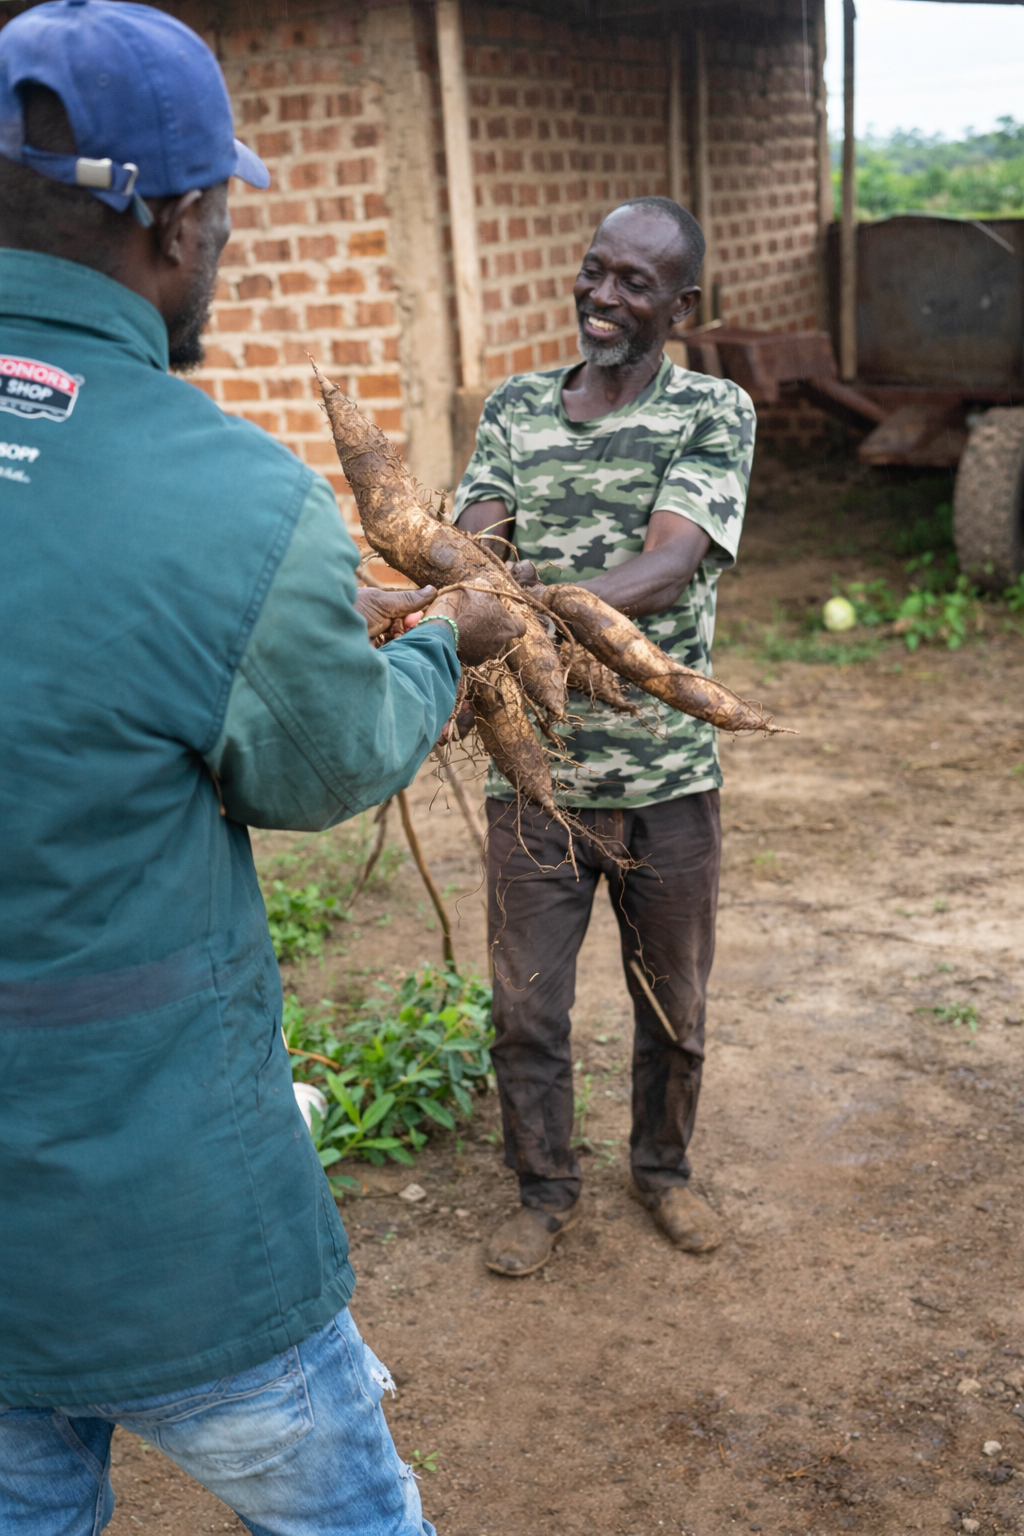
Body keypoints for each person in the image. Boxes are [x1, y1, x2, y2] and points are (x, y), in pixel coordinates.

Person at [0, 3, 520, 1531]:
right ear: (180, 217)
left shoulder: (225, 531)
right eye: (223, 214)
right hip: (162, 1226)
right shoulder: (230, 497)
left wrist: (306, 614)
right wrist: (450, 642)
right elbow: (326, 760)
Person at [454, 196, 756, 1277]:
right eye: (594, 271)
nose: (602, 296)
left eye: (633, 282)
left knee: (672, 1003)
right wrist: (478, 575)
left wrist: (542, 605)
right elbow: (477, 542)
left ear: (681, 304)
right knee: (524, 1007)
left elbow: (671, 560)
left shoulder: (710, 411)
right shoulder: (516, 409)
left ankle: (663, 1173)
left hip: (665, 779)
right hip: (532, 779)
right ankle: (542, 1190)